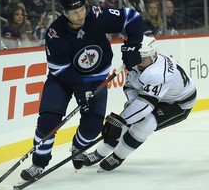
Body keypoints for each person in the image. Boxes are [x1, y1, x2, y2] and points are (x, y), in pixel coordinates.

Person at [20, 0, 143, 181]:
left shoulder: (96, 15)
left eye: (82, 9)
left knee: (93, 127)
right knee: (48, 121)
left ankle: (78, 147)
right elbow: (59, 69)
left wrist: (132, 46)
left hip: (95, 78)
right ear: (65, 13)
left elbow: (132, 18)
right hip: (63, 80)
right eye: (75, 12)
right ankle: (38, 163)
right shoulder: (55, 34)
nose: (80, 14)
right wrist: (80, 89)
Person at [83, 35, 197, 171]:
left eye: (142, 59)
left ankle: (118, 156)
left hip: (178, 103)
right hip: (155, 97)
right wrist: (130, 105)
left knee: (144, 125)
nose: (138, 62)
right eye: (137, 58)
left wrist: (123, 119)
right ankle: (99, 153)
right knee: (123, 123)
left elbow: (145, 105)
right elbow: (130, 86)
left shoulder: (158, 73)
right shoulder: (136, 61)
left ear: (154, 55)